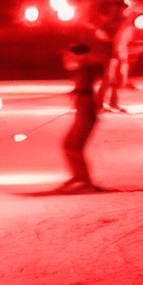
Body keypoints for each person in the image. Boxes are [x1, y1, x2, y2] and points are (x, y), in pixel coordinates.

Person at [57, 41, 106, 192]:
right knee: (68, 144)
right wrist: (76, 91)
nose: (68, 57)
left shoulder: (86, 68)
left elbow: (91, 85)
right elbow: (84, 86)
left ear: (80, 56)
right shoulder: (83, 68)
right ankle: (80, 177)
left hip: (87, 111)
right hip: (83, 110)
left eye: (71, 55)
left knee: (74, 146)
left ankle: (85, 181)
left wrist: (80, 93)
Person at [102, 0, 139, 112]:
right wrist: (114, 53)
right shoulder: (115, 21)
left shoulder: (127, 21)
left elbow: (127, 38)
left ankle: (114, 103)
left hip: (121, 53)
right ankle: (101, 103)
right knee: (109, 80)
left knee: (118, 80)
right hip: (113, 54)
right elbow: (112, 37)